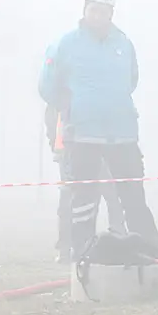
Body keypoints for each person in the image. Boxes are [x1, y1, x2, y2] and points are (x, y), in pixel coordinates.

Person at [38, 0, 158, 258]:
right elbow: (47, 86)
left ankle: (150, 251)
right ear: (85, 10)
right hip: (82, 134)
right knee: (83, 197)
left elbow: (132, 79)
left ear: (111, 13)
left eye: (103, 11)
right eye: (92, 10)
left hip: (123, 133)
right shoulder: (65, 43)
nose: (97, 16)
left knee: (132, 195)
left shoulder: (123, 43)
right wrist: (71, 105)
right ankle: (82, 252)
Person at [45, 105, 124, 262]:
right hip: (80, 148)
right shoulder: (69, 93)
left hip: (85, 147)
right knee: (106, 196)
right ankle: (71, 247)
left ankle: (116, 240)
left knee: (107, 195)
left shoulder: (63, 91)